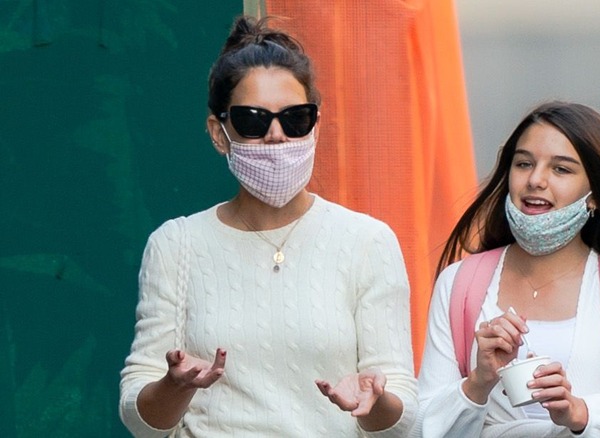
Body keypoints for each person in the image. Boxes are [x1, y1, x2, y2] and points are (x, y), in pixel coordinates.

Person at [119, 15, 417, 437]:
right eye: (253, 120)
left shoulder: (367, 241)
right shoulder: (176, 245)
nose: (276, 135)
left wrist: (375, 402)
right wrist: (175, 386)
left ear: (315, 124)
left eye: (295, 118)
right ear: (219, 133)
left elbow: (403, 417)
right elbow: (141, 419)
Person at [412, 101, 600, 437]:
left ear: (596, 195)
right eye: (524, 163)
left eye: (561, 169)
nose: (536, 180)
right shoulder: (459, 284)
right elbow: (422, 427)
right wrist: (478, 383)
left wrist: (580, 414)